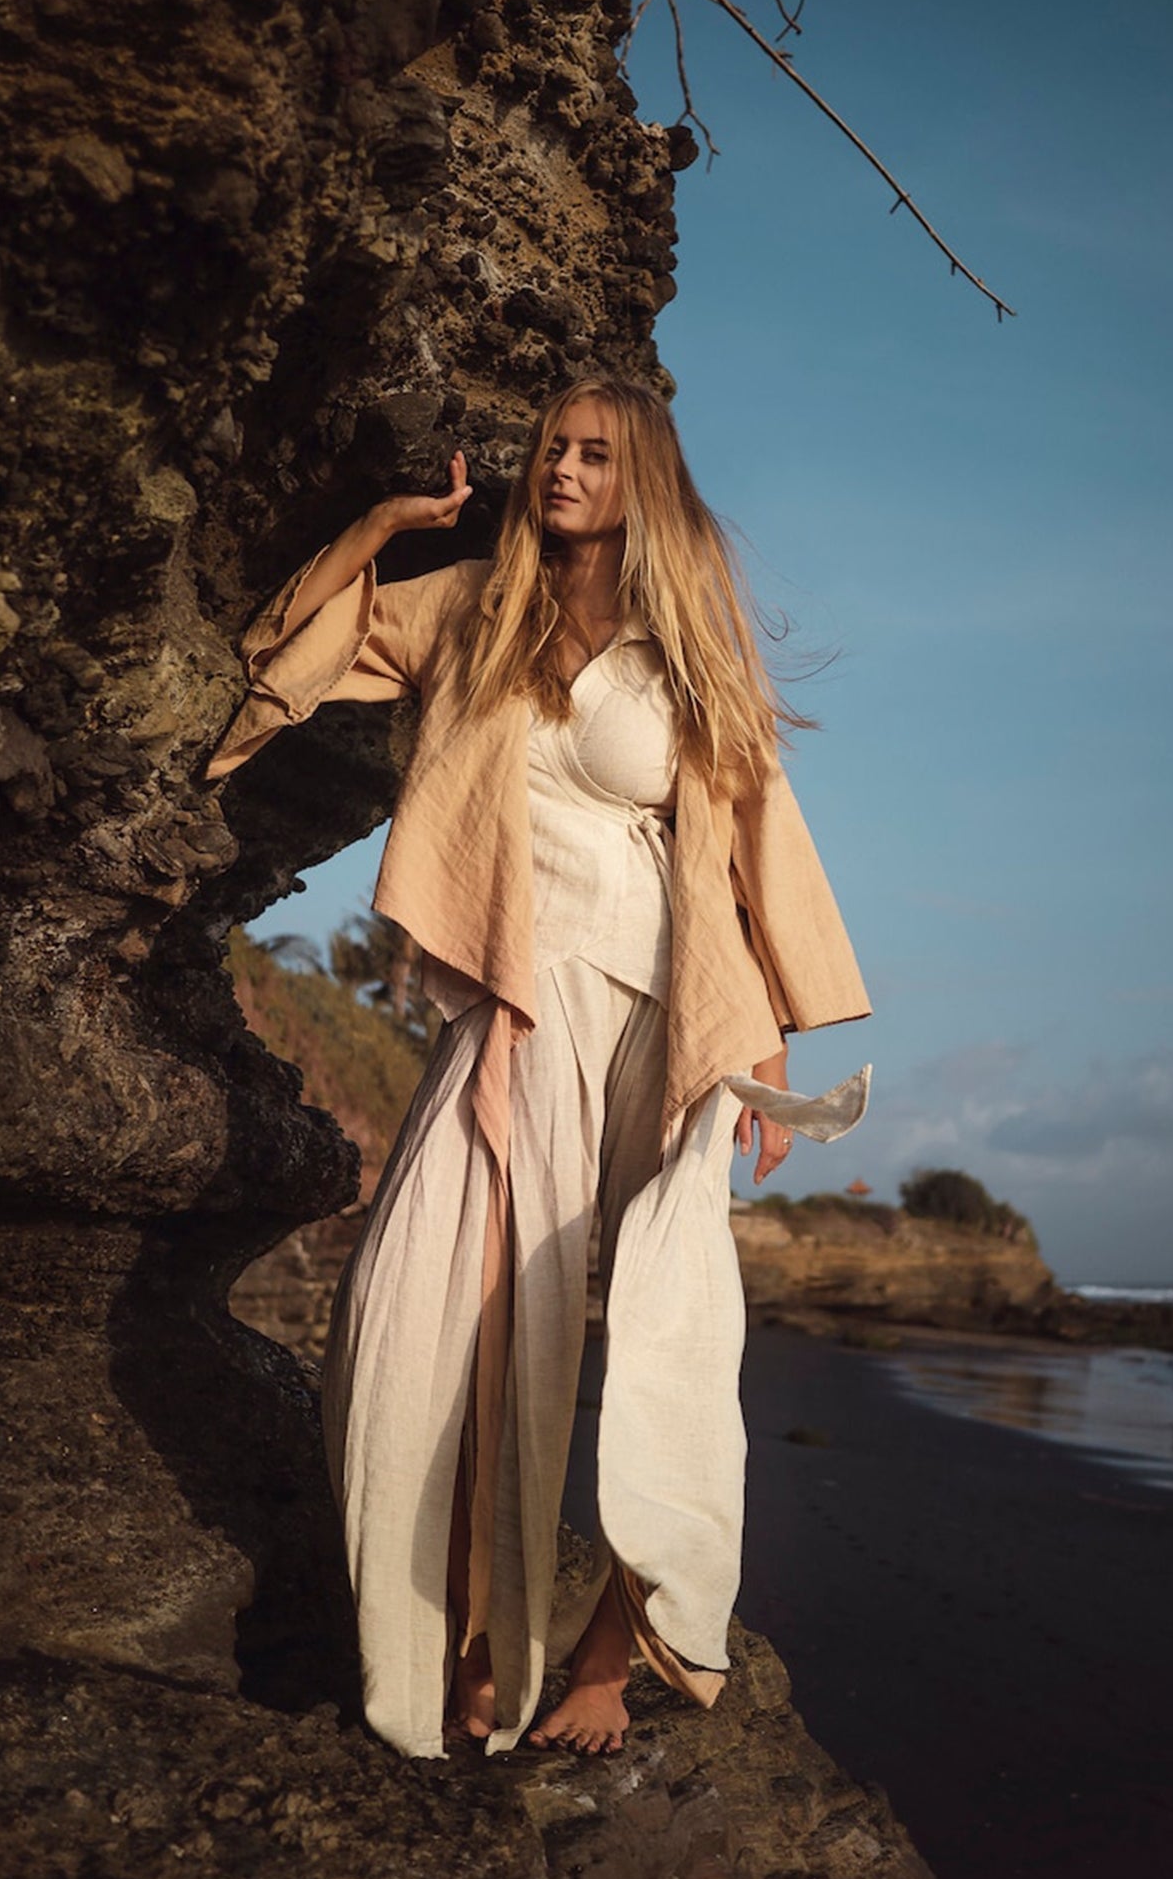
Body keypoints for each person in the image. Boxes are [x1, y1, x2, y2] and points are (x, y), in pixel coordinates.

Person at [207, 378, 870, 1759]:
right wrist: (386, 526)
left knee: (666, 1355)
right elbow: (295, 648)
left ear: (641, 483)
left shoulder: (682, 644)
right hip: (513, 1013)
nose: (560, 470)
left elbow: (752, 828)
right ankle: (455, 1652)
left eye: (591, 455)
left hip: (661, 1025)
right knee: (411, 1328)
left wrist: (767, 1035)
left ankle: (600, 1668)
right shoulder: (470, 606)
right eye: (549, 450)